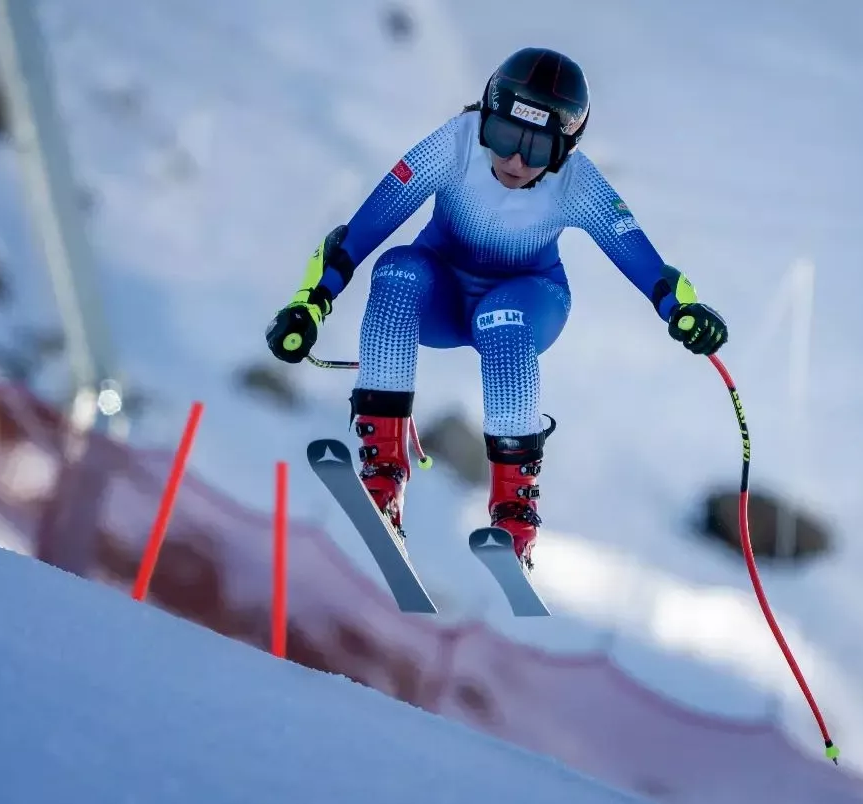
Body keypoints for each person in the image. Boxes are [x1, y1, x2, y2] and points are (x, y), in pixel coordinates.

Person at [266, 47, 728, 571]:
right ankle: (384, 476)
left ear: (566, 150)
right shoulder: (456, 143)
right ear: (484, 117)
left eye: (538, 149)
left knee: (501, 317)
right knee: (395, 271)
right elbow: (365, 225)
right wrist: (310, 303)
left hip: (528, 299)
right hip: (441, 294)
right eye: (505, 136)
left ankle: (515, 517)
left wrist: (681, 309)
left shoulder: (576, 181)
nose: (515, 161)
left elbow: (640, 256)